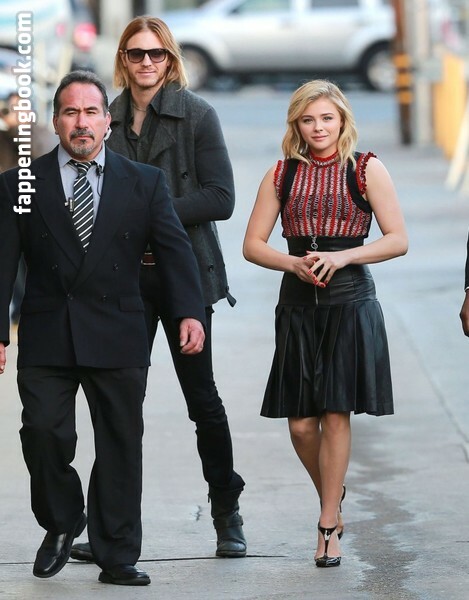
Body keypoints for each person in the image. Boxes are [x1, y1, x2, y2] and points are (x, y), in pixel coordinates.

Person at [0, 70, 207, 586]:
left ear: (107, 122)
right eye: (70, 112)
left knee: (120, 442)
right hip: (48, 330)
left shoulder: (144, 182)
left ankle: (117, 555)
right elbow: (2, 262)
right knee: (43, 433)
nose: (81, 122)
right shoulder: (20, 183)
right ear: (55, 122)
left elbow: (175, 251)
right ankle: (63, 519)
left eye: (91, 112)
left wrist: (189, 311)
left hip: (118, 327)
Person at [70, 15, 246, 563]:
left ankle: (227, 512)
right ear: (122, 59)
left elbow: (221, 198)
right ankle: (111, 530)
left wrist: (151, 210)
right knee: (119, 404)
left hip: (185, 275)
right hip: (122, 281)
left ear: (170, 59)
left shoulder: (197, 115)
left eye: (157, 54)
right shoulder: (107, 116)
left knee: (202, 400)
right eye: (136, 53)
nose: (146, 62)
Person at [243, 80, 408, 567]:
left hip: (350, 302)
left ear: (342, 121)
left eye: (327, 118)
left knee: (336, 413)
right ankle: (332, 495)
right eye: (308, 119)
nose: (318, 128)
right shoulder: (281, 174)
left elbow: (398, 239)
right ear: (296, 124)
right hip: (297, 305)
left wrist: (344, 256)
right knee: (300, 425)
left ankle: (327, 523)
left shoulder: (366, 168)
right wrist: (291, 263)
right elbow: (252, 245)